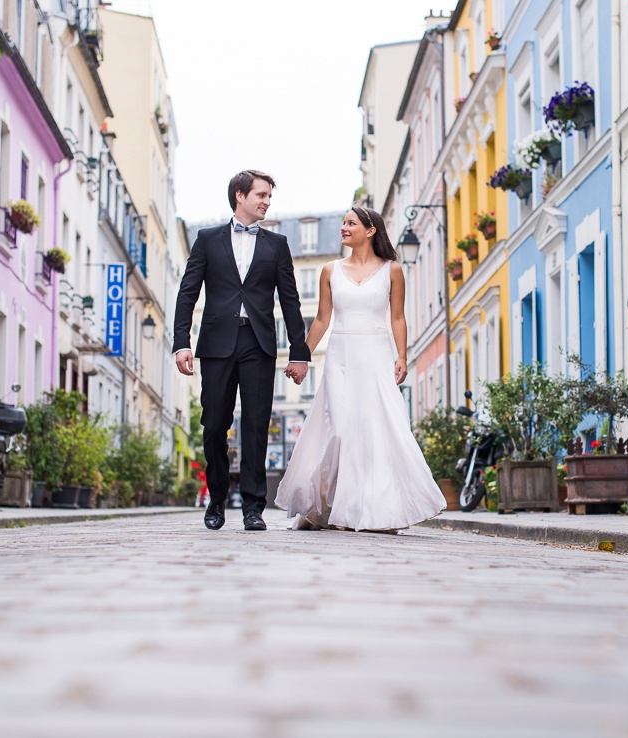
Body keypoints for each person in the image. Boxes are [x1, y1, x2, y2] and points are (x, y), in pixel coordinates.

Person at [275, 206, 446, 532]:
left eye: (350, 223)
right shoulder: (330, 270)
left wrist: (402, 356)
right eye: (343, 222)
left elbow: (397, 317)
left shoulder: (392, 270)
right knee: (338, 431)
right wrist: (302, 356)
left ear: (370, 230)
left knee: (373, 431)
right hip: (340, 356)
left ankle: (377, 512)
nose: (343, 227)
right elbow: (323, 319)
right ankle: (327, 506)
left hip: (375, 356)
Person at [172, 171, 310, 531]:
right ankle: (216, 499)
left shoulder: (277, 244)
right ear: (240, 196)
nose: (266, 201)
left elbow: (290, 301)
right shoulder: (206, 240)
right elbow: (188, 293)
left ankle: (253, 507)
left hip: (259, 343)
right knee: (215, 423)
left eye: (268, 197)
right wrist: (181, 342)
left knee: (255, 425)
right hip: (216, 343)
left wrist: (300, 352)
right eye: (261, 195)